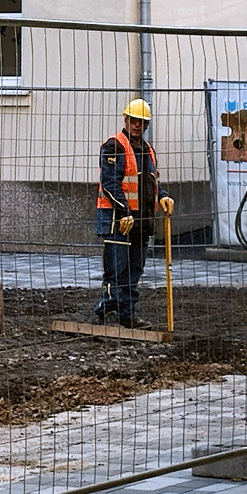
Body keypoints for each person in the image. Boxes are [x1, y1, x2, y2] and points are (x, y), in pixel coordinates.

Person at [93, 98, 174, 328]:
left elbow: (152, 182)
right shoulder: (114, 145)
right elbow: (110, 183)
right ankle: (109, 311)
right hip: (117, 221)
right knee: (116, 269)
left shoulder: (148, 151)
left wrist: (163, 196)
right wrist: (124, 212)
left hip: (141, 222)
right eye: (134, 121)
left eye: (142, 122)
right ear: (126, 120)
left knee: (134, 270)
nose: (137, 125)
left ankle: (125, 314)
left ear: (146, 125)